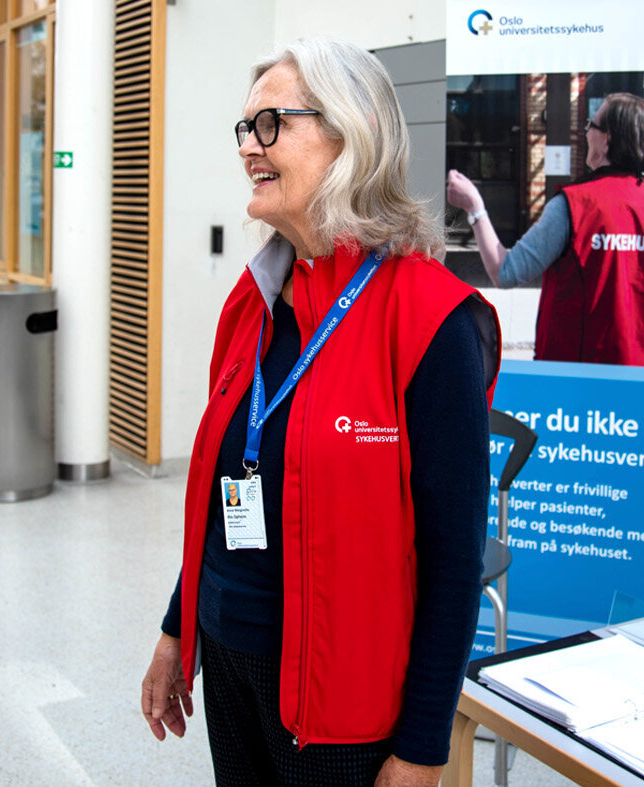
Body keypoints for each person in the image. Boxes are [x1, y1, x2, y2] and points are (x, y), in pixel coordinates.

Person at [140, 37, 500, 786]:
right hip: (230, 666)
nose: (249, 147)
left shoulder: (433, 319)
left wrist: (424, 742)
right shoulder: (253, 301)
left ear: (351, 133)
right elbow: (218, 484)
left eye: (271, 123)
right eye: (245, 128)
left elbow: (453, 559)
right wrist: (179, 627)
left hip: (344, 710)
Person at [446, 93, 644, 367]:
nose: (586, 132)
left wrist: (475, 208)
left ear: (607, 139)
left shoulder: (575, 204)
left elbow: (505, 272)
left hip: (571, 378)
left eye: (591, 125)